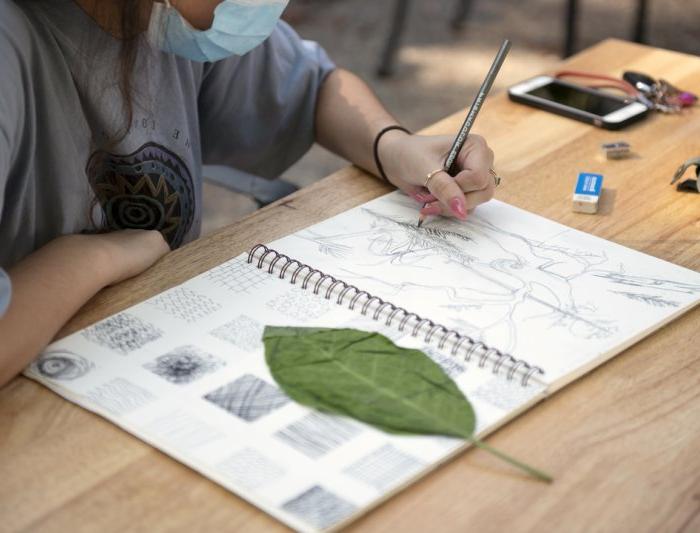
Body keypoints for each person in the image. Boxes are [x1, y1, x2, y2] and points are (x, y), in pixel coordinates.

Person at [0, 0, 496, 387]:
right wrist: (92, 259)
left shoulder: (167, 20)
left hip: (157, 355)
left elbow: (315, 88)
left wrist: (392, 146)